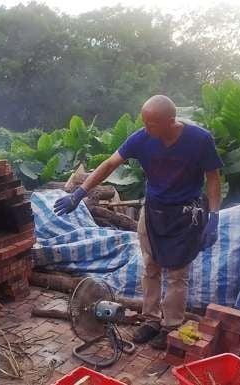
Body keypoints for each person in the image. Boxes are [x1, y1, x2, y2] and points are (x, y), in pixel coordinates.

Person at [53, 95, 223, 350]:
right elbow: (110, 164)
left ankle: (171, 325)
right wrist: (80, 193)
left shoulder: (199, 140)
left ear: (169, 121)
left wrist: (214, 216)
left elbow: (213, 177)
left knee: (178, 274)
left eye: (151, 123)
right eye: (144, 122)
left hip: (186, 214)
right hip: (154, 210)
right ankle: (151, 320)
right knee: (150, 267)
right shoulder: (143, 139)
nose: (145, 128)